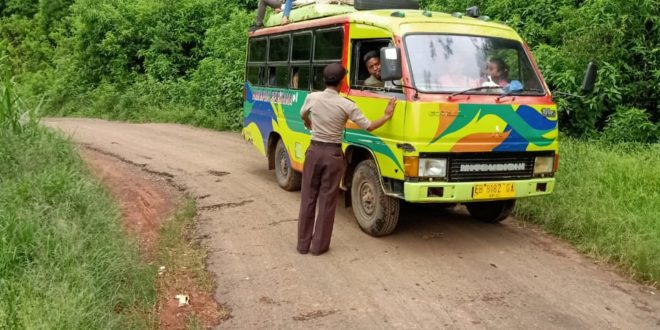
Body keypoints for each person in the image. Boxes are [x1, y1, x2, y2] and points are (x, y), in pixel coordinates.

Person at [298, 63, 396, 255]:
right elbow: (368, 126)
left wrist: (308, 123)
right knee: (327, 201)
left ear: (324, 80)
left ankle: (302, 245)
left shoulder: (312, 97)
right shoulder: (346, 104)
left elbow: (303, 114)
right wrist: (386, 115)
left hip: (314, 151)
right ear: (342, 82)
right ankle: (318, 247)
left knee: (308, 198)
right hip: (333, 155)